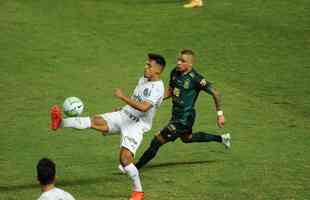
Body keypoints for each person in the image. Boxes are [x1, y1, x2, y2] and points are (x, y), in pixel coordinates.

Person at [50, 53, 166, 200]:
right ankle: (60, 122)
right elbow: (137, 100)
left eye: (149, 65)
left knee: (124, 160)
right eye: (146, 64)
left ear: (158, 70)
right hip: (124, 115)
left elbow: (144, 107)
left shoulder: (157, 87)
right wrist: (123, 107)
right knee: (94, 121)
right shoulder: (143, 79)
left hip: (136, 125)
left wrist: (122, 96)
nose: (146, 67)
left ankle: (138, 191)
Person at [135, 49, 231, 170]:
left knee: (158, 140)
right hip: (176, 115)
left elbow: (215, 93)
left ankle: (135, 167)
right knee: (187, 138)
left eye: (183, 61)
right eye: (178, 60)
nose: (179, 63)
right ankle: (222, 138)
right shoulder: (174, 72)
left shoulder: (196, 79)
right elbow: (170, 91)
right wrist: (154, 101)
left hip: (184, 118)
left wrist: (220, 114)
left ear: (190, 64)